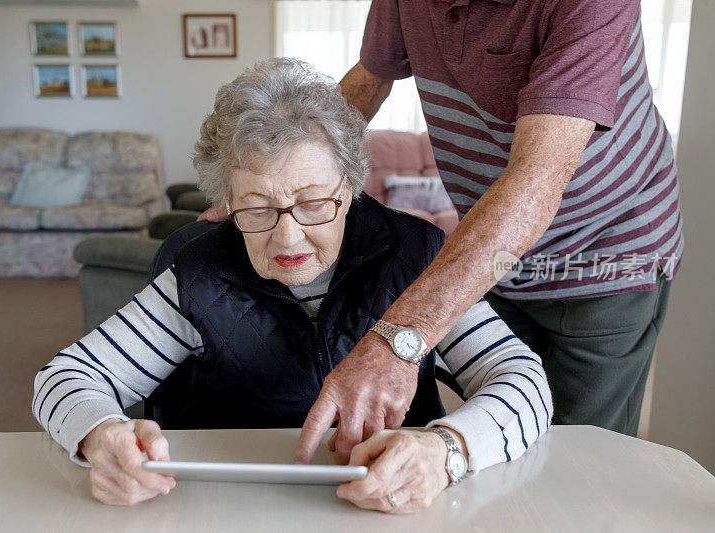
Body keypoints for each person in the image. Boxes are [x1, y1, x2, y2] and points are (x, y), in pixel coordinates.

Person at [33, 58, 552, 512]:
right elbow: (65, 378)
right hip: (231, 511)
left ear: (350, 188)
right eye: (257, 207)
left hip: (384, 511)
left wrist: (448, 452)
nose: (287, 235)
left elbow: (524, 380)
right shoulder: (196, 274)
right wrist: (100, 435)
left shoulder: (415, 256)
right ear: (226, 202)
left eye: (312, 203)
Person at [275, 0, 681, 462]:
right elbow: (367, 82)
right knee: (502, 438)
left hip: (606, 252)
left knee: (580, 460)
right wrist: (275, 185)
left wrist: (397, 343)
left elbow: (536, 181)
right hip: (494, 254)